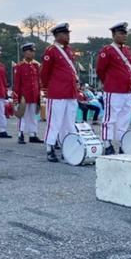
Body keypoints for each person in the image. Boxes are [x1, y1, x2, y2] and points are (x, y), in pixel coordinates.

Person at [40, 23, 79, 162]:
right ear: (57, 36)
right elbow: (45, 73)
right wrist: (46, 88)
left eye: (68, 33)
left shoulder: (69, 50)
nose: (68, 36)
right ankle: (50, 148)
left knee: (69, 123)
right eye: (65, 33)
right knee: (54, 121)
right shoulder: (51, 51)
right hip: (57, 92)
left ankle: (66, 147)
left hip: (70, 91)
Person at [96, 22, 131, 155]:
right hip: (113, 90)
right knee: (110, 118)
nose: (124, 36)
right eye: (121, 33)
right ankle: (107, 143)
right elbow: (100, 70)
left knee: (124, 119)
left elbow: (129, 68)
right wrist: (108, 82)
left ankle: (122, 143)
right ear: (113, 35)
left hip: (127, 90)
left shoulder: (127, 50)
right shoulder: (107, 50)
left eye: (125, 33)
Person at [12, 42, 43, 144]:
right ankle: (20, 134)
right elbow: (16, 84)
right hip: (23, 96)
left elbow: (38, 82)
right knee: (23, 115)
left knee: (33, 116)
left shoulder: (35, 66)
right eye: (30, 51)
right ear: (25, 53)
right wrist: (16, 98)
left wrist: (39, 95)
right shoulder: (19, 66)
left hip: (33, 95)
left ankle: (32, 134)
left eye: (33, 51)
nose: (32, 54)